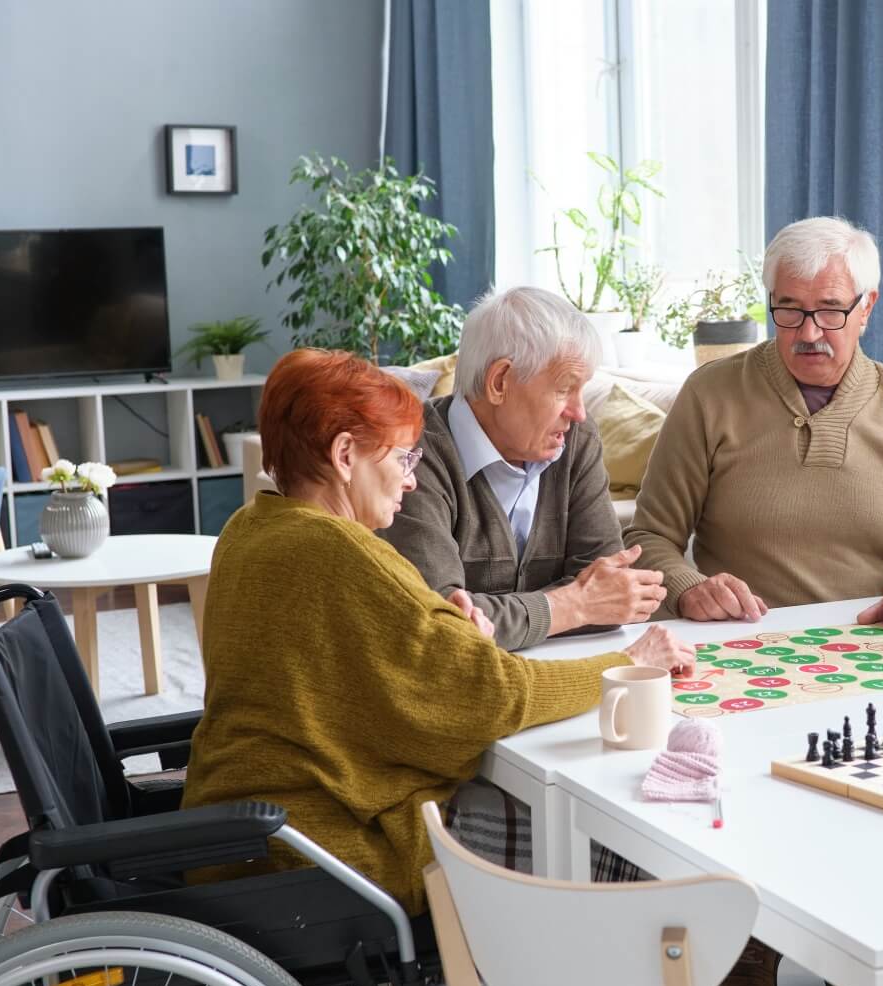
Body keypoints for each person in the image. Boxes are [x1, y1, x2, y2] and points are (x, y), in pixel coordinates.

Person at [625, 215, 883, 986]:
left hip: (867, 657)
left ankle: (859, 940)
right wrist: (690, 587)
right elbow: (649, 536)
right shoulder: (712, 395)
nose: (808, 331)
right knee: (741, 794)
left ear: (867, 308)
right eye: (787, 310)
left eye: (830, 310)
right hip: (740, 652)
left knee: (868, 794)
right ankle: (746, 943)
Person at [181, 349, 693, 917]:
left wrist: (458, 645)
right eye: (402, 457)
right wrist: (625, 663)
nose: (412, 478)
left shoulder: (250, 526)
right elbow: (488, 698)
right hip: (328, 846)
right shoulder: (343, 554)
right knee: (617, 843)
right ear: (345, 454)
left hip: (249, 825)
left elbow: (386, 676)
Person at [381, 286, 666, 652]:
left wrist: (509, 617)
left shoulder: (575, 438)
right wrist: (574, 604)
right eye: (565, 389)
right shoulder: (411, 455)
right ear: (499, 382)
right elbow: (439, 625)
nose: (579, 412)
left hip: (567, 667)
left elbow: (612, 595)